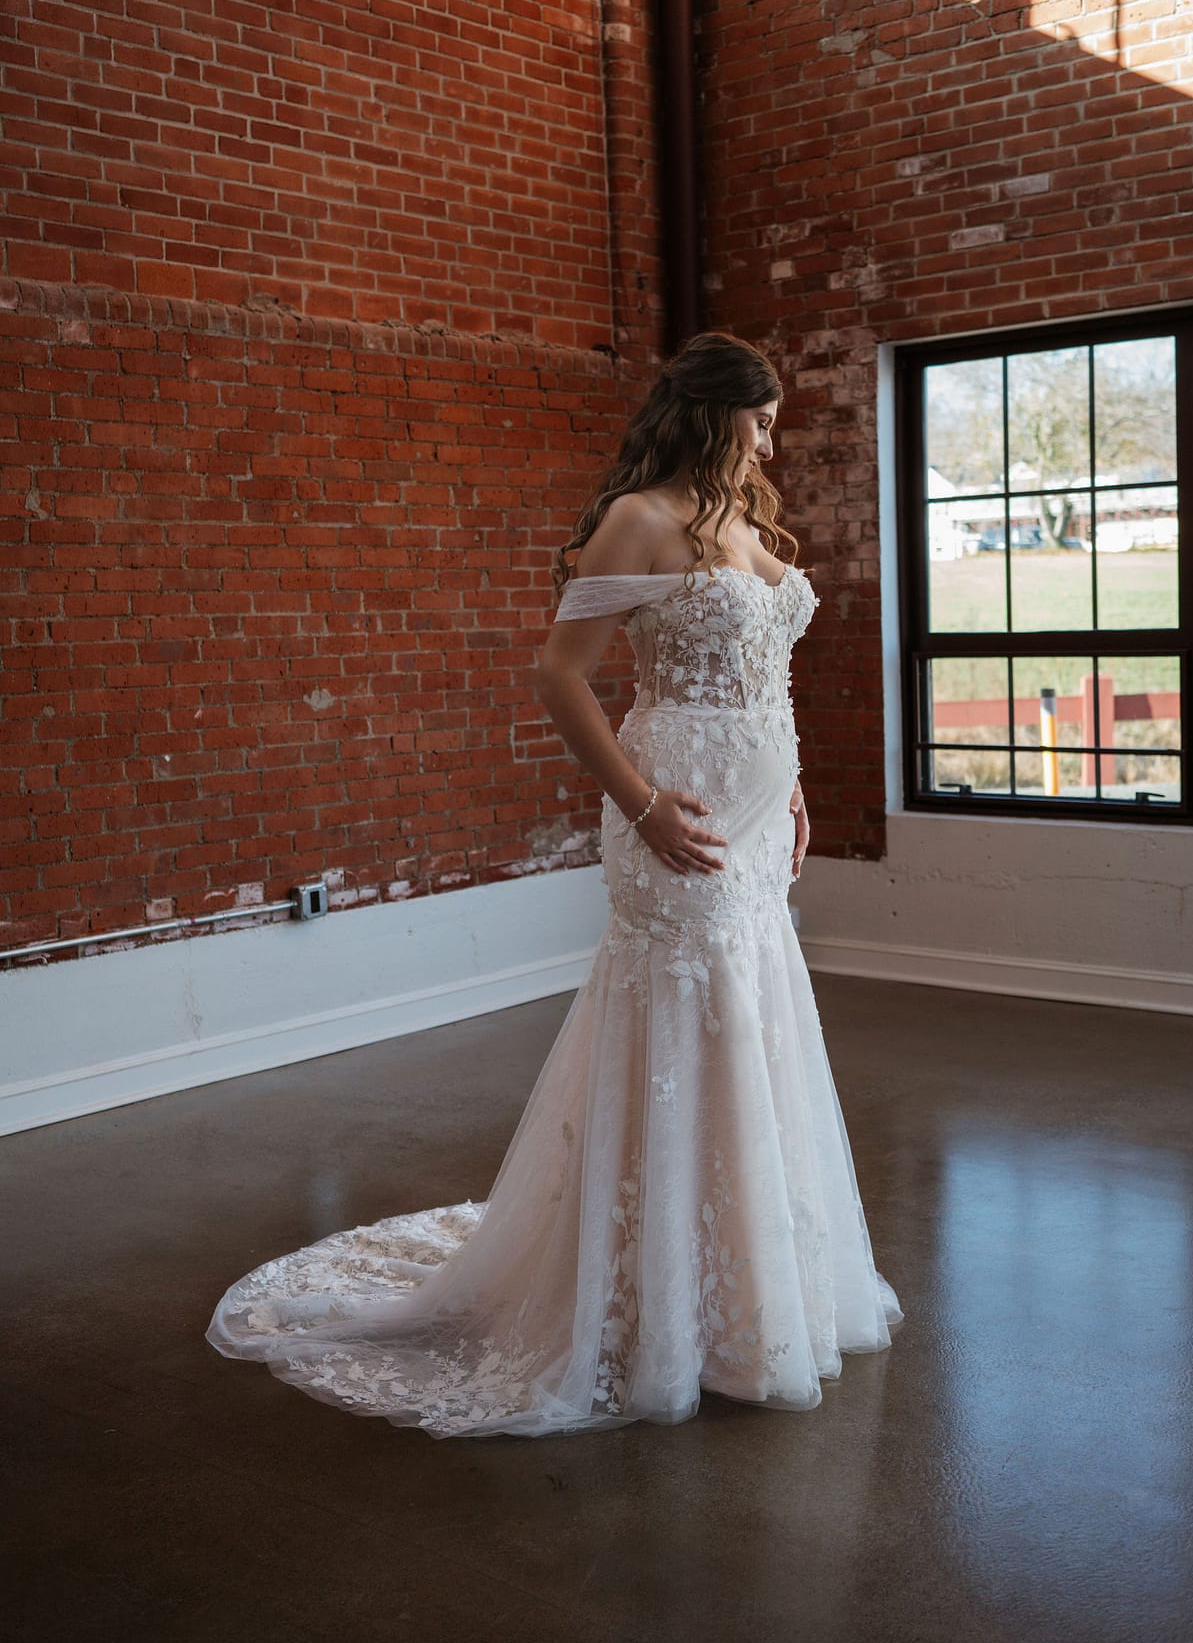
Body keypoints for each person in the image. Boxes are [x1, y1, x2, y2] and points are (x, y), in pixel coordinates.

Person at [206, 331, 903, 1436]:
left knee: (750, 1011)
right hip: (672, 803)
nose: (771, 437)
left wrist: (801, 787)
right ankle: (651, 1300)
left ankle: (743, 1286)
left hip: (759, 815)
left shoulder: (741, 524)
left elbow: (764, 679)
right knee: (689, 1013)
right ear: (711, 413)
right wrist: (640, 804)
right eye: (759, 418)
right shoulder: (642, 518)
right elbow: (559, 673)